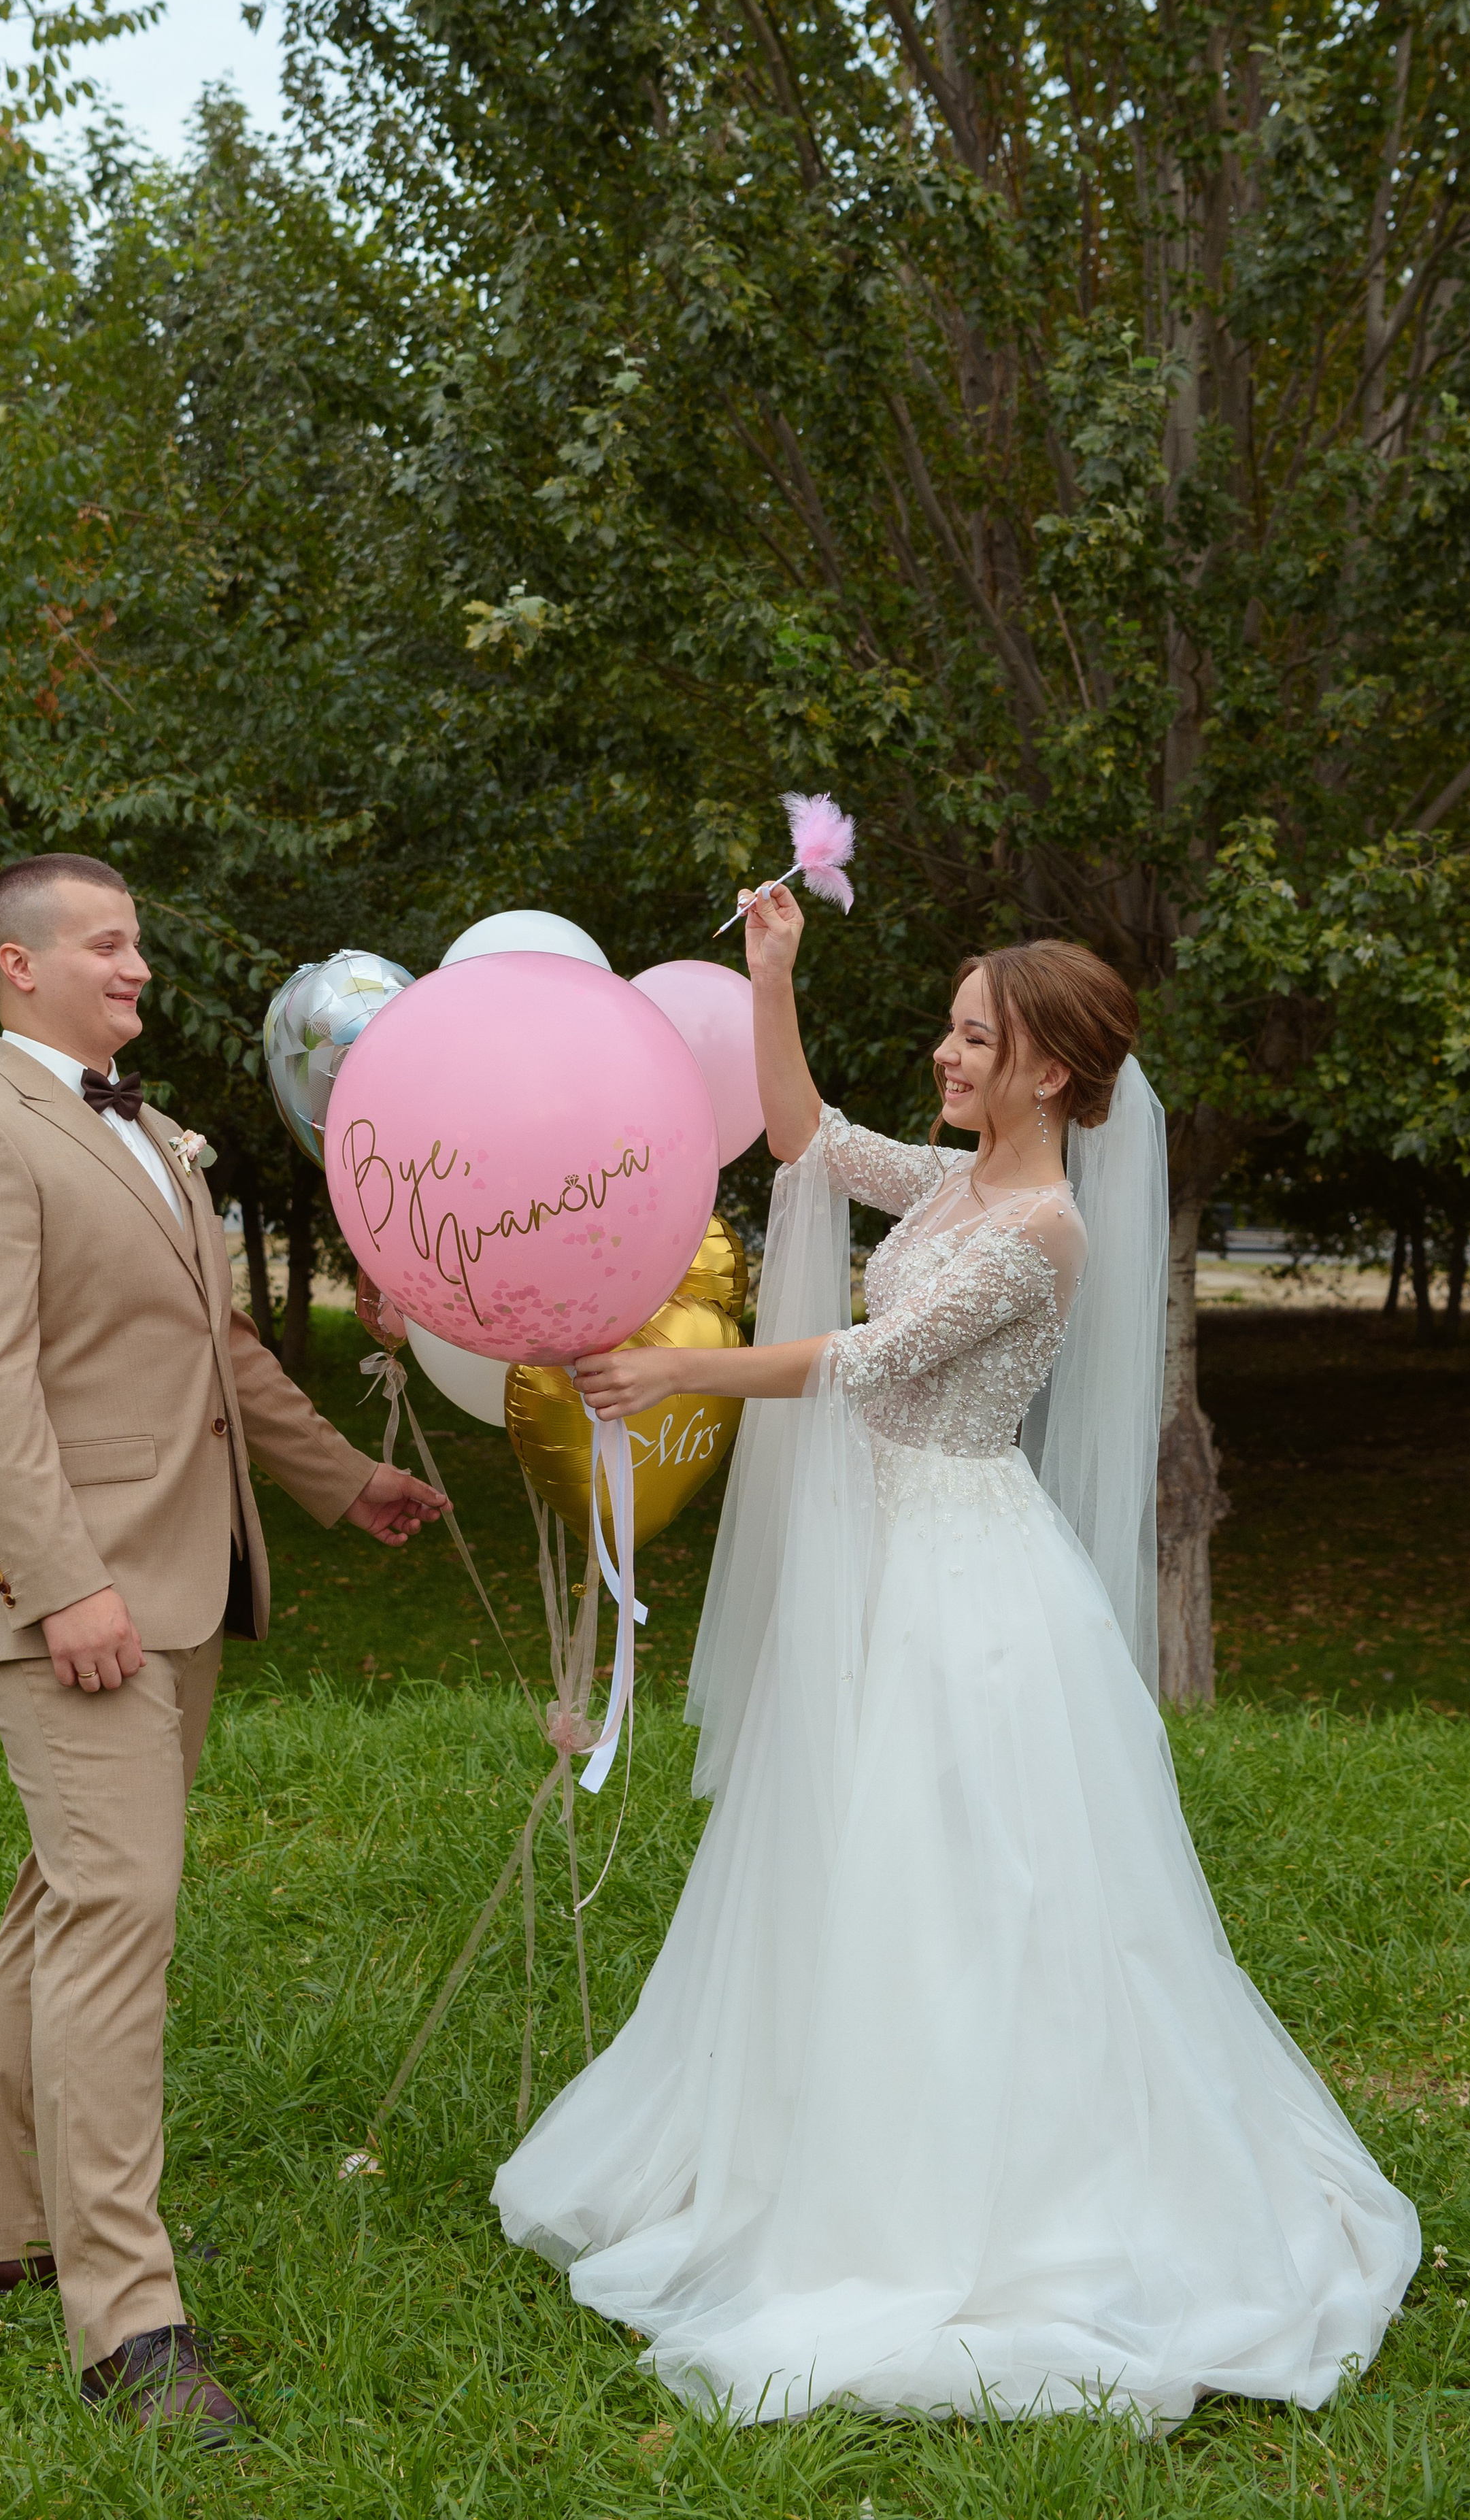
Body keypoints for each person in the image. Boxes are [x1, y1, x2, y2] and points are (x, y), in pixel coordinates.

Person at [492, 885, 1418, 2430]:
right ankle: (821, 2138)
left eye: (973, 1035)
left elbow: (865, 1361)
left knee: (966, 1874)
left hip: (966, 1583)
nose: (945, 1049)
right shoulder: (943, 1188)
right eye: (949, 1025)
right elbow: (801, 1138)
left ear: (1049, 1070)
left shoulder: (1041, 1230)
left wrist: (675, 1363)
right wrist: (771, 974)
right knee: (853, 1859)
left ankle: (987, 2189)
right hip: (891, 1567)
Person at [0, 853, 447, 2445]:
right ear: (18, 966)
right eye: (109, 943)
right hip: (78, 1598)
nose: (138, 967)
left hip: (178, 1583)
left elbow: (226, 1354)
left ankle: (20, 2223)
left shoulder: (148, 1134)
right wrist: (64, 1585)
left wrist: (346, 1482)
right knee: (121, 1908)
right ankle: (128, 2327)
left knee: (71, 1892)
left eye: (137, 940)